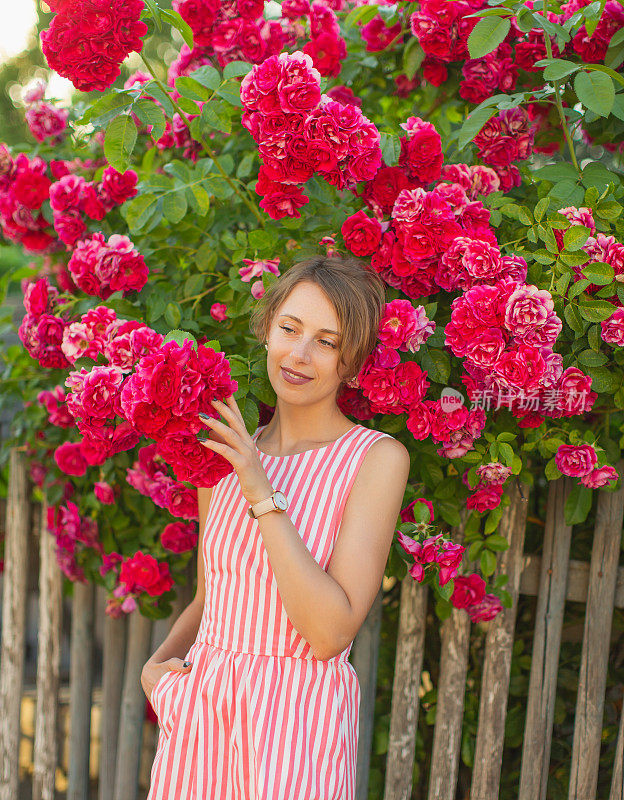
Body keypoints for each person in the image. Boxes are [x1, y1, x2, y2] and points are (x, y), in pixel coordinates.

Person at [141, 255, 410, 799]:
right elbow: (212, 592)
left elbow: (330, 633)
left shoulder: (374, 459)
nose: (300, 354)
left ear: (352, 364)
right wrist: (155, 671)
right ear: (266, 329)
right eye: (290, 328)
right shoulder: (226, 447)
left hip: (295, 724)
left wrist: (259, 488)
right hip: (202, 716)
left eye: (328, 342)